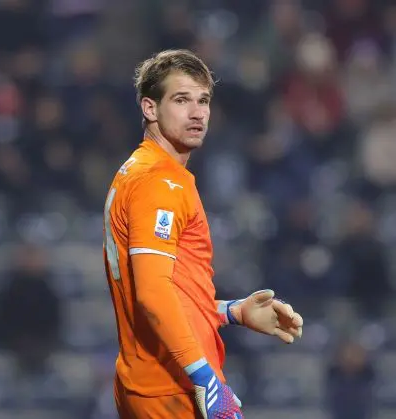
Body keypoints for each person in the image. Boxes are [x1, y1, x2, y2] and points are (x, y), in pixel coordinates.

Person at [102, 49, 304, 419]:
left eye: (203, 100)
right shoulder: (159, 181)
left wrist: (232, 312)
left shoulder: (142, 171)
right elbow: (152, 293)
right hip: (171, 387)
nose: (197, 113)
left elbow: (161, 291)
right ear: (150, 108)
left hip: (153, 383)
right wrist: (205, 379)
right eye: (181, 100)